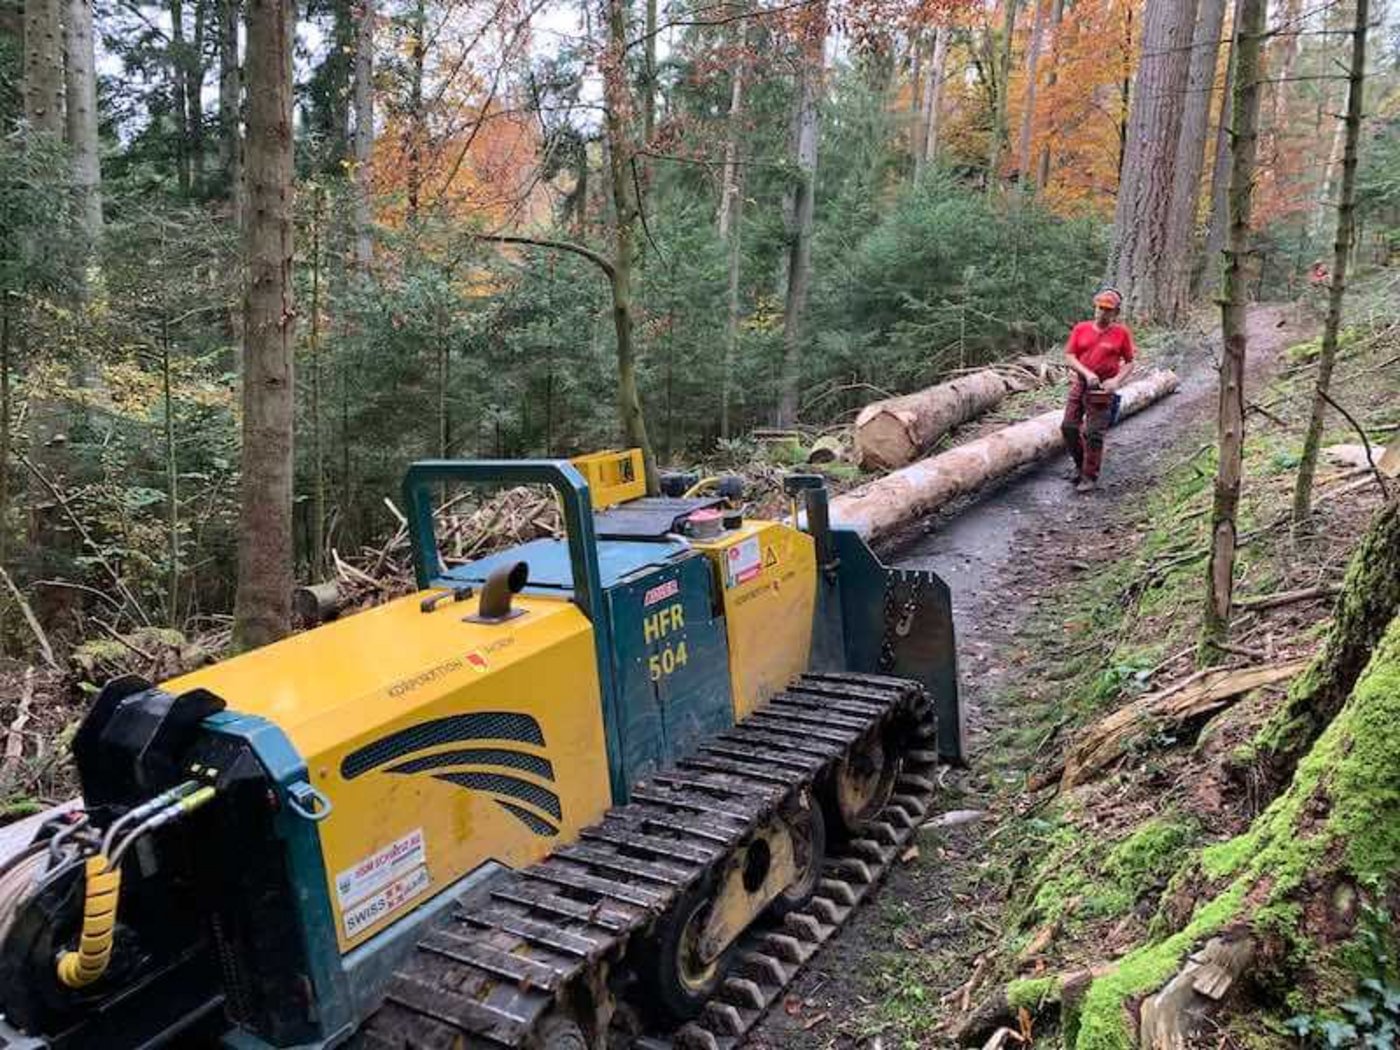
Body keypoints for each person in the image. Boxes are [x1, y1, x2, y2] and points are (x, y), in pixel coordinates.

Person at [1061, 288, 1137, 493]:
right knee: (1068, 426)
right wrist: (1086, 373)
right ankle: (1080, 465)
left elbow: (1130, 362)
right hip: (1081, 384)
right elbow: (1069, 355)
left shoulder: (1121, 333)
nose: (1102, 312)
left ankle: (1089, 476)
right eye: (1100, 308)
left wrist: (1116, 380)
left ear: (1115, 313)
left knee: (1093, 433)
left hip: (1103, 389)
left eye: (1107, 309)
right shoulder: (1081, 329)